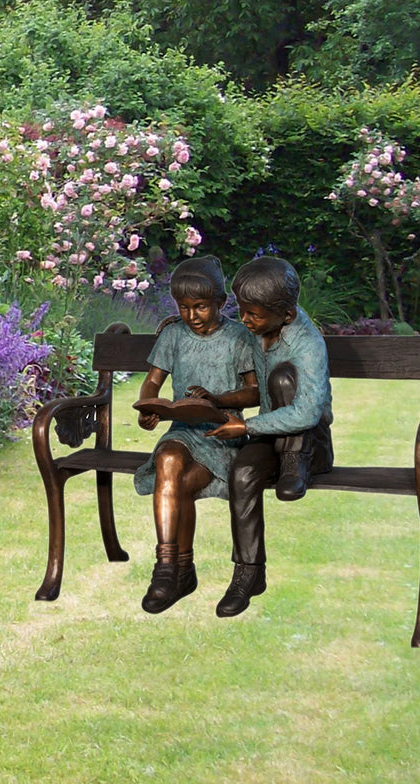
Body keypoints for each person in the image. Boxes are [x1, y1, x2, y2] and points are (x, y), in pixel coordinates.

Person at [206, 256, 333, 617]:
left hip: (312, 446)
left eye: (253, 315)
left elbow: (308, 413)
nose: (244, 321)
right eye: (242, 311)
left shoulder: (306, 343)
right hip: (271, 431)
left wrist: (246, 428)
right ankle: (249, 572)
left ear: (287, 316)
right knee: (242, 474)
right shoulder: (258, 330)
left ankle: (295, 463)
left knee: (283, 379)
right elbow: (223, 336)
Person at [134, 256, 257, 614]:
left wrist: (217, 400)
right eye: (184, 308)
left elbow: (254, 392)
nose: (192, 316)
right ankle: (168, 567)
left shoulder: (238, 337)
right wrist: (149, 406)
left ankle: (179, 571)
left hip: (223, 432)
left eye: (201, 307)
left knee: (180, 482)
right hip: (182, 429)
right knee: (168, 459)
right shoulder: (173, 334)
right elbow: (154, 381)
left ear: (221, 302)